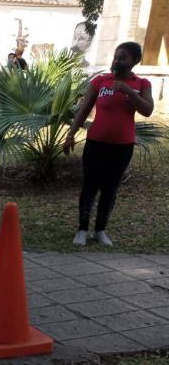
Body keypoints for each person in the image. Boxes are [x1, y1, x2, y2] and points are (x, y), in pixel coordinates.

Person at [64, 42, 153, 247]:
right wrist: (70, 135)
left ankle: (100, 230)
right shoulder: (101, 81)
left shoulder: (141, 84)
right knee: (90, 185)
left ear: (134, 61)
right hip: (96, 142)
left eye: (123, 57)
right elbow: (84, 109)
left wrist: (129, 92)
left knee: (110, 188)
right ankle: (82, 229)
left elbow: (147, 110)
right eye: (116, 56)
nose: (117, 61)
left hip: (122, 146)